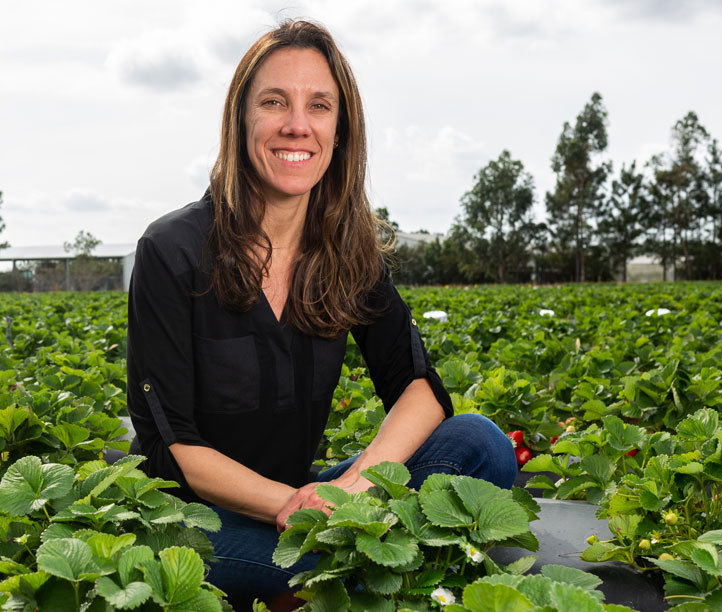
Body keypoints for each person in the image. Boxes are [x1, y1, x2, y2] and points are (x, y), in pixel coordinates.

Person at [125, 19, 517, 610]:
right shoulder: (174, 249)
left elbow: (418, 387)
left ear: (339, 129)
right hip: (195, 519)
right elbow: (176, 446)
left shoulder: (345, 249)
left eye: (319, 105)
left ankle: (327, 578)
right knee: (322, 559)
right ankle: (352, 573)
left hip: (307, 504)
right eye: (274, 102)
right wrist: (295, 508)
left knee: (481, 443)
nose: (297, 125)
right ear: (241, 121)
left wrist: (348, 490)